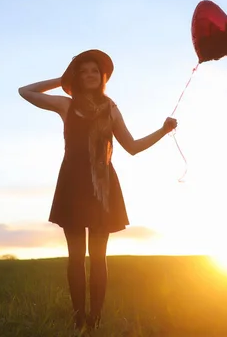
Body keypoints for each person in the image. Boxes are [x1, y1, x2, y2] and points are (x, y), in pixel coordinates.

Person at [18, 49, 177, 331]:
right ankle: (78, 318)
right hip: (73, 185)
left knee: (99, 257)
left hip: (103, 186)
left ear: (102, 77)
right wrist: (61, 78)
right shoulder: (66, 105)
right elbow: (25, 91)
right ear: (77, 77)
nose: (90, 75)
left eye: (95, 71)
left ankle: (95, 320)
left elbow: (132, 147)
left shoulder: (111, 109)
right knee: (76, 257)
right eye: (83, 71)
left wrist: (162, 131)